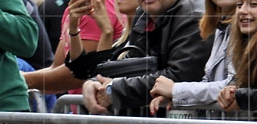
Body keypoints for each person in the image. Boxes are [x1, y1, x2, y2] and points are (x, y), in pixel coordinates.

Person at [80, 0, 211, 116]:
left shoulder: (193, 16)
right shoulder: (144, 14)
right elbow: (130, 68)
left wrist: (114, 89)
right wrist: (94, 83)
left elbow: (180, 76)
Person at [148, 0, 236, 113]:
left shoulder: (247, 27)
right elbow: (209, 80)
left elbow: (233, 86)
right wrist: (175, 95)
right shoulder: (220, 25)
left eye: (254, 5)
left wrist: (175, 90)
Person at [21, 0, 125, 95]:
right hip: (80, 105)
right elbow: (57, 67)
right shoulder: (74, 8)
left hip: (97, 103)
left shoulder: (93, 6)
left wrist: (19, 79)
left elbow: (74, 76)